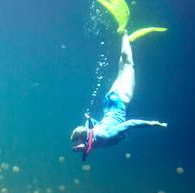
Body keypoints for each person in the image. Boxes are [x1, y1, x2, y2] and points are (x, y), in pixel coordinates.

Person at [70, 32, 167, 160]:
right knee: (121, 70)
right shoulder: (92, 134)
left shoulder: (105, 136)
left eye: (78, 146)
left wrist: (153, 123)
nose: (78, 148)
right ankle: (126, 43)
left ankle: (125, 34)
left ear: (84, 140)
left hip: (119, 101)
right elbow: (91, 126)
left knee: (128, 65)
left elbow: (131, 123)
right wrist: (88, 121)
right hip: (108, 101)